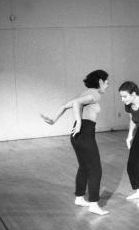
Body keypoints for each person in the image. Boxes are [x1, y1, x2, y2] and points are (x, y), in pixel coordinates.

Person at [41, 70, 110, 215]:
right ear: (100, 81)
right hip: (85, 132)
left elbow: (66, 105)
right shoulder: (95, 94)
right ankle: (94, 204)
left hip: (76, 135)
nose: (108, 85)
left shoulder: (84, 92)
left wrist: (53, 120)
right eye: (107, 82)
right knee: (95, 169)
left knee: (84, 166)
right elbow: (77, 104)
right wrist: (79, 121)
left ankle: (79, 197)